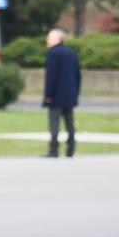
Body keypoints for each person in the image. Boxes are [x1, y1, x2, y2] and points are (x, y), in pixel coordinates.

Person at [42, 28, 81, 157]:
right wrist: (76, 93)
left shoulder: (52, 54)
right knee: (69, 122)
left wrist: (48, 95)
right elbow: (78, 75)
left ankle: (54, 149)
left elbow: (51, 76)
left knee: (54, 122)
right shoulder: (72, 53)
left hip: (56, 95)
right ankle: (71, 148)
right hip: (70, 94)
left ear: (57, 39)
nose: (47, 40)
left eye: (49, 38)